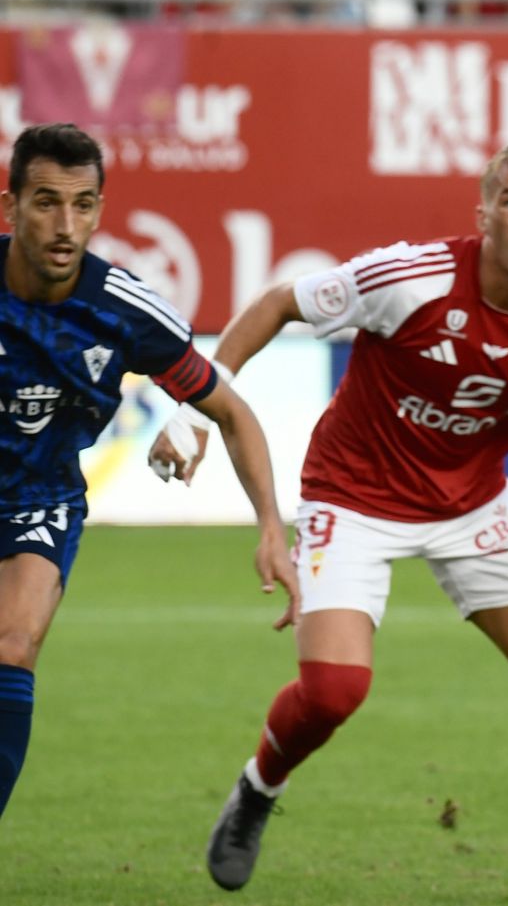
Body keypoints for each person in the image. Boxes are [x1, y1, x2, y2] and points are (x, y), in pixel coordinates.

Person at [151, 139, 508, 905]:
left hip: (471, 505)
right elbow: (276, 304)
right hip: (353, 494)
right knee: (333, 690)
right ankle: (258, 787)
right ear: (484, 212)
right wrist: (197, 414)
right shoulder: (411, 278)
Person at [1, 123, 296, 820]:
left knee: (13, 645)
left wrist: (270, 527)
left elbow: (232, 411)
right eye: (46, 202)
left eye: (82, 203)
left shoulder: (123, 311)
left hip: (37, 499)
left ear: (101, 209)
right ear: (10, 208)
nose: (65, 224)